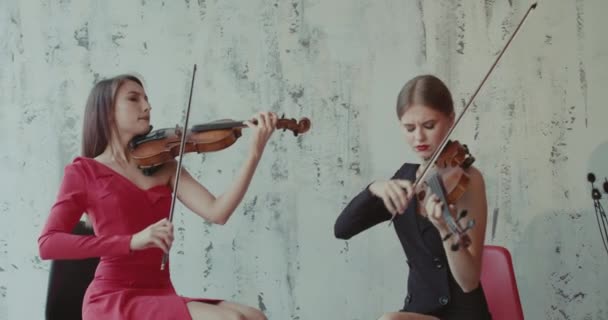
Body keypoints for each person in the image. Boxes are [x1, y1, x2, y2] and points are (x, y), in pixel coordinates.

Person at [38, 74, 275, 320]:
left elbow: (218, 212)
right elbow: (48, 244)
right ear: (107, 111)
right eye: (133, 99)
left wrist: (254, 153)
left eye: (147, 99)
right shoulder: (84, 172)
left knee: (255, 316)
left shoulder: (164, 165)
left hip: (160, 292)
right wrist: (132, 241)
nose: (147, 106)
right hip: (113, 299)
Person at [334, 75, 492, 320]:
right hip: (417, 311)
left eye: (429, 126)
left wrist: (444, 227)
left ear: (450, 121)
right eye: (409, 128)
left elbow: (469, 281)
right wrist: (373, 189)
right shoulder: (406, 181)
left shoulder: (468, 180)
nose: (418, 138)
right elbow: (342, 229)